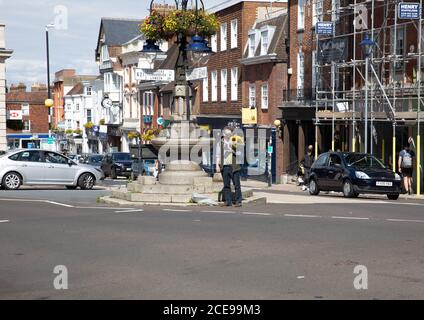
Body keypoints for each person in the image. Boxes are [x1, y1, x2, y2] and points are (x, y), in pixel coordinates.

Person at [216, 127, 242, 207]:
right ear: (223, 134)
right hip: (225, 166)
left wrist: (232, 149)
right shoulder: (220, 143)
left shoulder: (234, 140)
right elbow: (218, 155)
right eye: (226, 133)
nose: (228, 135)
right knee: (226, 185)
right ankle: (228, 201)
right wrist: (217, 165)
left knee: (236, 184)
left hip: (234, 166)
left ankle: (238, 201)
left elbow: (240, 152)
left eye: (229, 133)